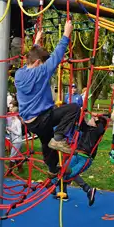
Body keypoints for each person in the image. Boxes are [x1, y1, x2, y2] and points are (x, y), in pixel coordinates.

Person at [14, 21, 80, 177]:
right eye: (42, 63)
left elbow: (31, 58)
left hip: (30, 123)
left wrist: (36, 43)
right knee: (73, 109)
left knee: (46, 143)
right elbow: (57, 56)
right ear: (38, 63)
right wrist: (66, 34)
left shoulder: (19, 74)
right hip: (43, 118)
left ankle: (52, 169)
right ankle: (59, 137)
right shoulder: (41, 72)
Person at [53, 115, 108, 205]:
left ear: (96, 123)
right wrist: (81, 112)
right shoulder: (87, 129)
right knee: (63, 170)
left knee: (70, 174)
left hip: (85, 158)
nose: (89, 119)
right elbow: (80, 121)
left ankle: (88, 190)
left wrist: (97, 120)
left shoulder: (97, 132)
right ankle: (63, 193)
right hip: (76, 154)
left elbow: (101, 128)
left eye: (91, 119)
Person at [6, 101, 23, 172]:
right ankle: (20, 169)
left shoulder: (17, 121)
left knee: (12, 156)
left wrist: (11, 129)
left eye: (11, 109)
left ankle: (9, 172)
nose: (10, 111)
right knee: (16, 156)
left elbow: (19, 133)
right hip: (14, 140)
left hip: (17, 141)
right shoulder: (13, 120)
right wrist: (8, 130)